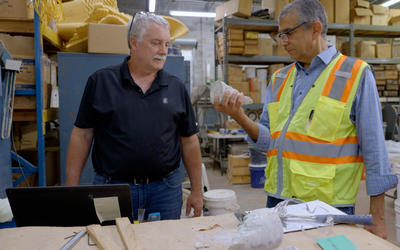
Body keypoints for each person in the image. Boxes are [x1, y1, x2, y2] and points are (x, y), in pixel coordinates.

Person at [214, 0, 398, 239]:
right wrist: (238, 115)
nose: (283, 42)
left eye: (288, 33)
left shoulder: (355, 75)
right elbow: (268, 141)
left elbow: (374, 152)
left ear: (316, 28)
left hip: (329, 207)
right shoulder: (280, 79)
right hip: (278, 202)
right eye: (280, 35)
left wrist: (378, 219)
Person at [66, 12, 203, 220]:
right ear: (134, 43)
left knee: (163, 243)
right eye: (156, 43)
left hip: (165, 190)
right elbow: (82, 136)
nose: (163, 51)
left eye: (166, 44)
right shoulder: (101, 82)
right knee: (111, 242)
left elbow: (189, 141)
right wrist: (71, 189)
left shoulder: (176, 87)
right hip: (112, 187)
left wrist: (196, 190)